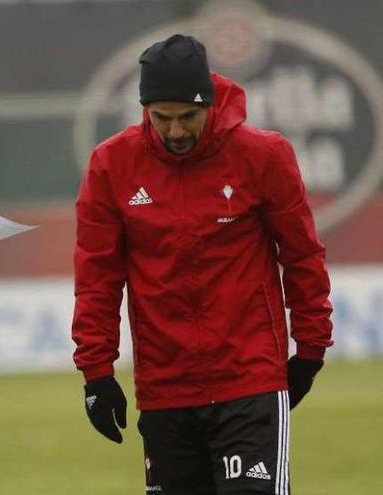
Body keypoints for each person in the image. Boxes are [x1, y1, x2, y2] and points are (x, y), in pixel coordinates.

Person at [71, 34, 333, 495]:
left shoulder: (263, 156)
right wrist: (96, 372)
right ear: (144, 110)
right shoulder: (110, 165)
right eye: (161, 118)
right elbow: (97, 277)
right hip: (164, 389)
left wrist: (310, 348)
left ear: (209, 103)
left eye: (187, 117)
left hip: (249, 384)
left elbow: (302, 255)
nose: (174, 132)